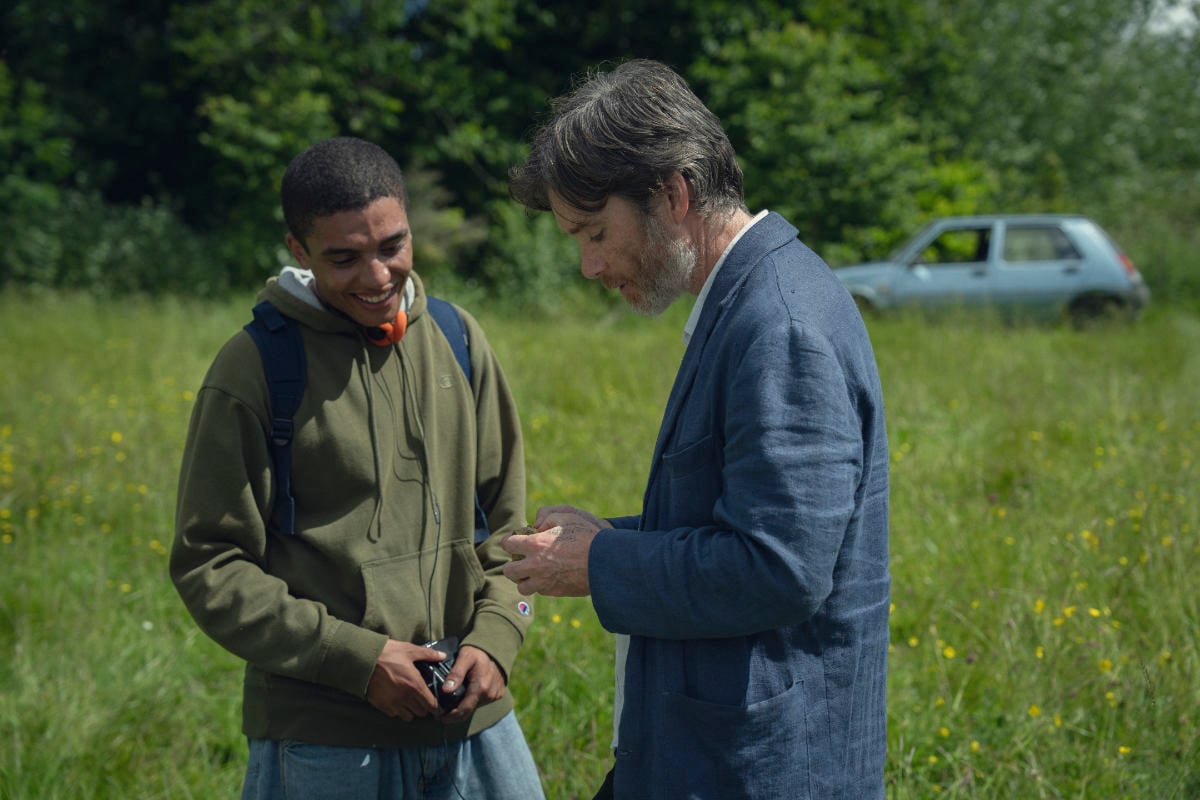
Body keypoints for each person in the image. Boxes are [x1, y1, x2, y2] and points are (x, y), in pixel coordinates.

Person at [503, 60, 890, 800]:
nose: (587, 265)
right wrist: (607, 537)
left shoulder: (781, 324)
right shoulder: (746, 299)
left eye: (595, 232)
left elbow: (779, 568)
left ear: (673, 195)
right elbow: (737, 520)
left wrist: (601, 563)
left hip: (759, 769)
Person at [171, 136, 545, 800]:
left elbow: (510, 527)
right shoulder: (254, 369)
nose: (375, 277)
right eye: (343, 258)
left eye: (392, 247)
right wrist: (357, 662)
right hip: (327, 736)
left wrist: (498, 637)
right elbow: (211, 565)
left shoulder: (458, 340)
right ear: (299, 250)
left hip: (476, 720)